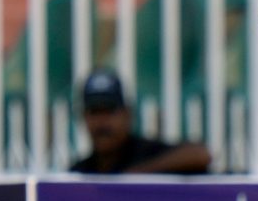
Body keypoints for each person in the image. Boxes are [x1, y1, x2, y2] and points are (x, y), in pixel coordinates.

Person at [69, 68, 212, 174]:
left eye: (109, 111)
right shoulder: (80, 172)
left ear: (127, 114)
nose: (102, 122)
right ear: (83, 117)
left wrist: (136, 174)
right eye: (95, 112)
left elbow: (201, 155)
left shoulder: (146, 153)